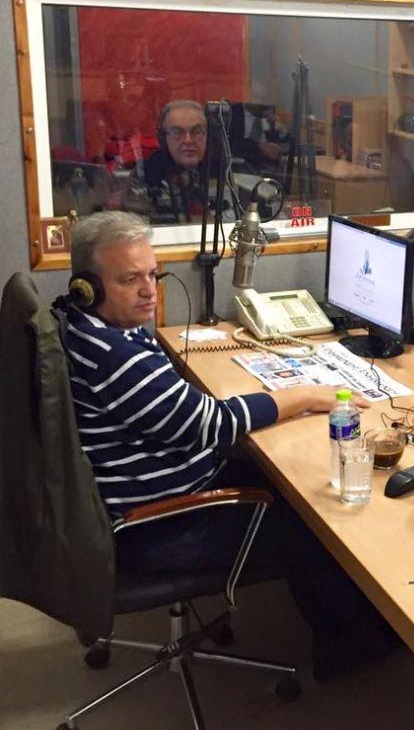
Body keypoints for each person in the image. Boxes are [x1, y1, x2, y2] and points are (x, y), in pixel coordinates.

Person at [62, 210, 394, 678]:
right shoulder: (113, 356)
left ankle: (348, 621)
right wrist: (305, 396)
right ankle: (347, 647)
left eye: (153, 275)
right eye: (129, 279)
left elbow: (184, 414)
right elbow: (212, 423)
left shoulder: (89, 324)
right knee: (315, 519)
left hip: (157, 488)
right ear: (87, 287)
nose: (148, 290)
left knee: (296, 477)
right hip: (159, 526)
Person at [127, 100, 209, 223]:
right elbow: (138, 225)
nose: (188, 140)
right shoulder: (145, 173)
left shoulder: (222, 171)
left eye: (196, 131)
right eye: (177, 132)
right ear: (163, 139)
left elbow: (233, 223)